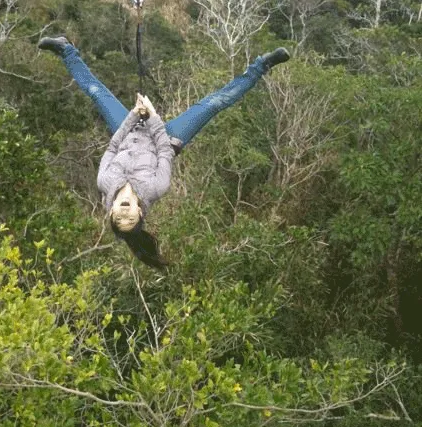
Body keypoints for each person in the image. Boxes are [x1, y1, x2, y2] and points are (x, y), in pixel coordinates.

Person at [39, 36, 290, 268]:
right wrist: (151, 117)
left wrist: (133, 117)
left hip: (129, 130)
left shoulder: (105, 182)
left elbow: (113, 146)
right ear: (139, 213)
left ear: (112, 212)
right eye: (131, 220)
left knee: (96, 92)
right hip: (166, 137)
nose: (125, 214)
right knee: (215, 103)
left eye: (119, 219)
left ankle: (66, 50)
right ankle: (262, 65)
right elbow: (164, 152)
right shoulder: (155, 188)